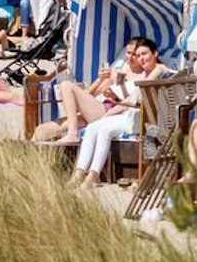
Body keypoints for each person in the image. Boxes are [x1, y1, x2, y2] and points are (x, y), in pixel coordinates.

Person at [68, 37, 169, 189]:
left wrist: (118, 101)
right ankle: (81, 172)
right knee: (93, 127)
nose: (141, 58)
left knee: (104, 130)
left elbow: (138, 94)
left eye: (144, 54)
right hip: (133, 115)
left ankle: (93, 175)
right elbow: (132, 98)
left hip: (143, 119)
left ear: (155, 53)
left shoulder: (159, 70)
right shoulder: (148, 72)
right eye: (139, 55)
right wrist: (114, 107)